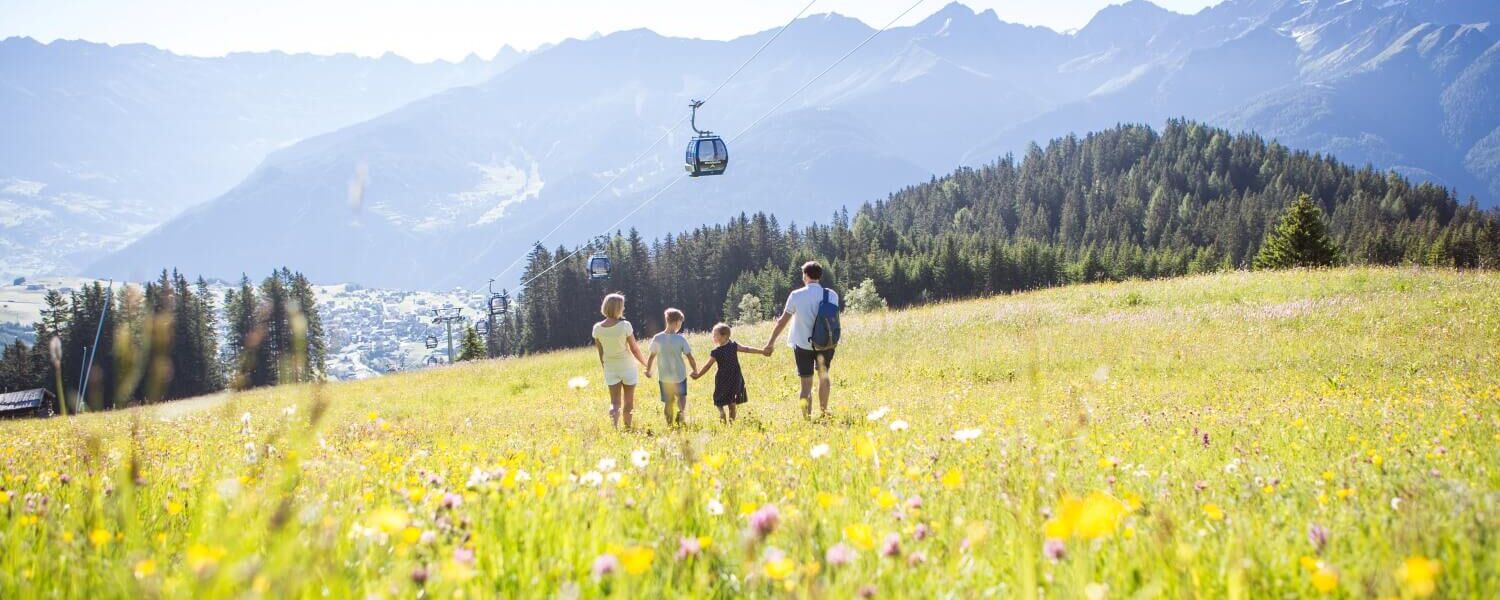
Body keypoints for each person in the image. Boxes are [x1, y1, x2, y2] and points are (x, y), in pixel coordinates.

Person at [765, 261, 840, 420]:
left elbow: (782, 321)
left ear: (805, 275)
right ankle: (824, 413)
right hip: (825, 344)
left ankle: (807, 419)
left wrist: (770, 343)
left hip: (803, 345)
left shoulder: (796, 295)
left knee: (806, 385)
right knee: (824, 378)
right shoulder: (831, 295)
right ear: (819, 275)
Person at [690, 323, 765, 423]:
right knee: (732, 402)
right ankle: (731, 423)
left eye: (715, 335)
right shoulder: (733, 346)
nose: (713, 337)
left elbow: (707, 366)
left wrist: (698, 375)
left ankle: (721, 412)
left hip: (722, 379)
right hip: (735, 378)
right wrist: (762, 351)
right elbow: (747, 349)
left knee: (718, 399)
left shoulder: (716, 352)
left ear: (724, 336)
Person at [592, 293, 646, 429]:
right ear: (618, 308)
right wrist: (646, 363)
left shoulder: (597, 328)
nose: (623, 309)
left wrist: (605, 367)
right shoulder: (625, 325)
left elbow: (600, 352)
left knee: (614, 402)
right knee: (629, 402)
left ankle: (614, 428)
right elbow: (634, 349)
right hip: (628, 367)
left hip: (610, 368)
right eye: (622, 306)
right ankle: (628, 428)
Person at [644, 308, 697, 426]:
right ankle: (681, 412)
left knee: (668, 402)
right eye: (680, 323)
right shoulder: (680, 339)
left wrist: (648, 370)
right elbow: (690, 357)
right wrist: (695, 370)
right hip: (680, 375)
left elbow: (651, 356)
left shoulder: (657, 338)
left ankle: (669, 425)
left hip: (664, 377)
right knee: (681, 397)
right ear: (677, 322)